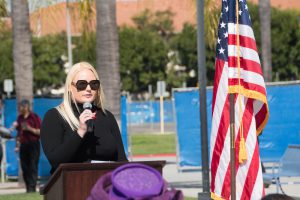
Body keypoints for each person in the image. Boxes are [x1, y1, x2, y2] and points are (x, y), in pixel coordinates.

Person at [40, 62, 128, 174]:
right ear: (70, 87)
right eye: (82, 84)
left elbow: (121, 160)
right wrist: (80, 132)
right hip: (72, 185)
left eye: (94, 84)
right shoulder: (54, 116)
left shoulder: (107, 117)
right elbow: (55, 160)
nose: (88, 88)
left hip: (106, 185)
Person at [13, 99, 42, 193]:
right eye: (20, 106)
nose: (21, 108)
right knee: (24, 167)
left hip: (33, 144)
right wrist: (17, 145)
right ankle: (28, 188)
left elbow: (40, 132)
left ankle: (32, 188)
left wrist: (29, 129)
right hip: (23, 145)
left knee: (33, 166)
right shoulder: (20, 118)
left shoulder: (34, 117)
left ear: (27, 107)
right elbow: (19, 133)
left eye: (22, 106)